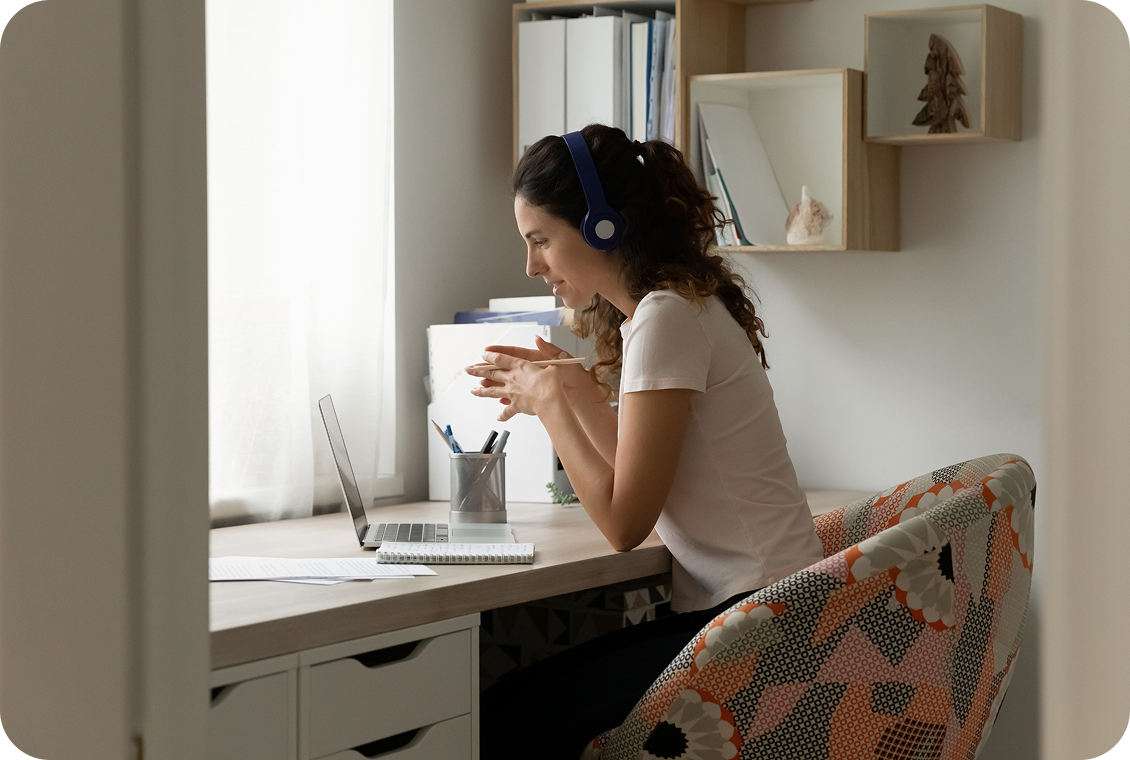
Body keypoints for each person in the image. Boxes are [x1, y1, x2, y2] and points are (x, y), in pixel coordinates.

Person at [466, 124, 824, 759]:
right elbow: (640, 465)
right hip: (756, 611)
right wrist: (573, 389)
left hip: (757, 625)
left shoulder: (665, 319)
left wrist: (551, 405)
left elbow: (625, 522)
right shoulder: (667, 311)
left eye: (541, 240)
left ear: (602, 225)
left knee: (498, 720)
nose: (532, 266)